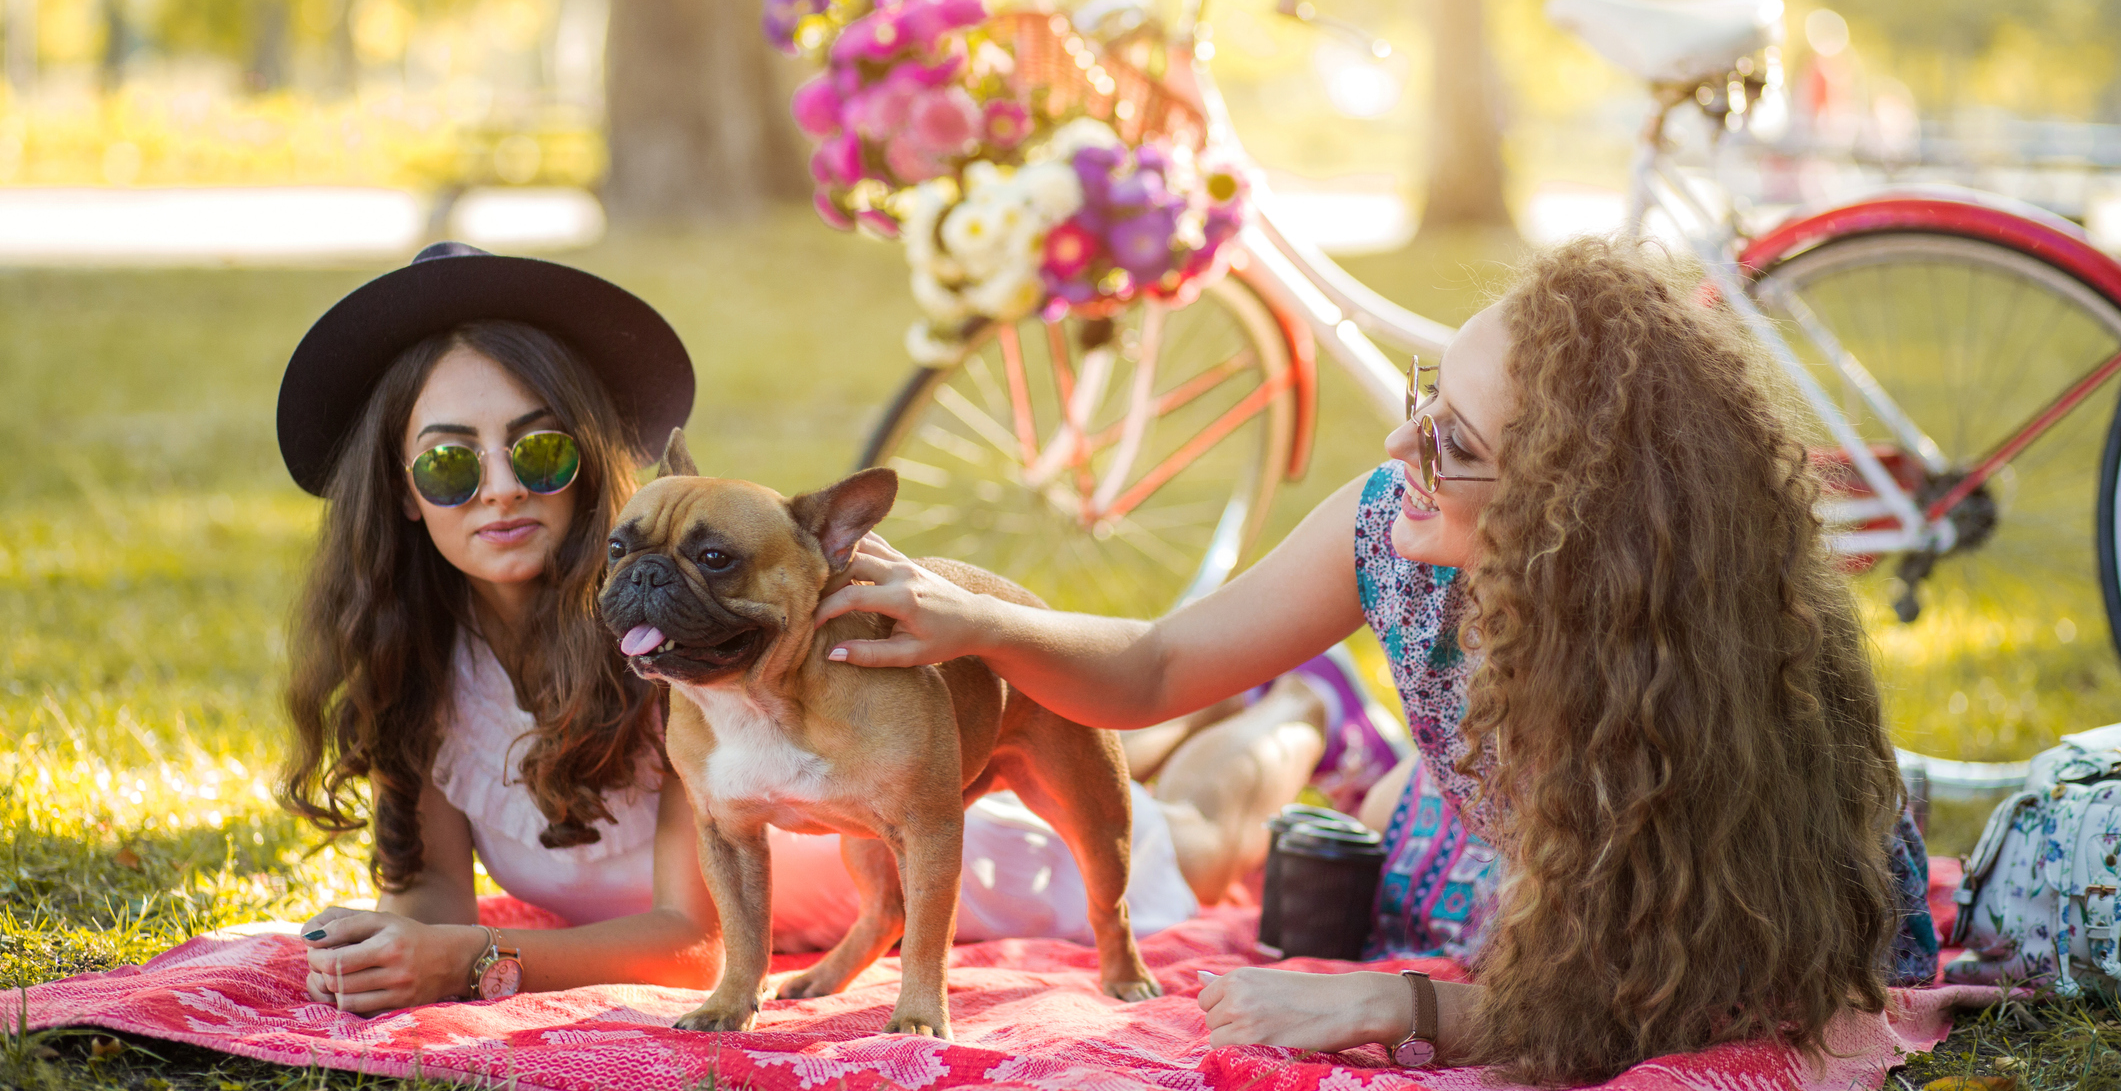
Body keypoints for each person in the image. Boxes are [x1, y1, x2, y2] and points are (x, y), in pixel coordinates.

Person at [816, 237, 1937, 1087]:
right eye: (1426, 397)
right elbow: (1157, 666)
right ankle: (1337, 728)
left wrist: (1401, 1005)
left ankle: (1329, 728)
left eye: (1454, 440)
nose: (1404, 443)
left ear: (1573, 515)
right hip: (1521, 827)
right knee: (1398, 833)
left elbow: (1654, 1004)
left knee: (1409, 875)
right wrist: (983, 625)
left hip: (1730, 912)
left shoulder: (1675, 713)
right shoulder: (1389, 536)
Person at [274, 242, 1400, 1012]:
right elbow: (433, 908)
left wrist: (478, 960)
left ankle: (1302, 710)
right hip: (844, 850)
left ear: (593, 464)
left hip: (927, 849)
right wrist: (396, 949)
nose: (501, 489)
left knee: (1188, 843)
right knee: (1124, 755)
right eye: (449, 462)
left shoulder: (681, 643)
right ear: (402, 490)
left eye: (541, 448)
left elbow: (695, 940)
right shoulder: (422, 670)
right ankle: (1253, 711)